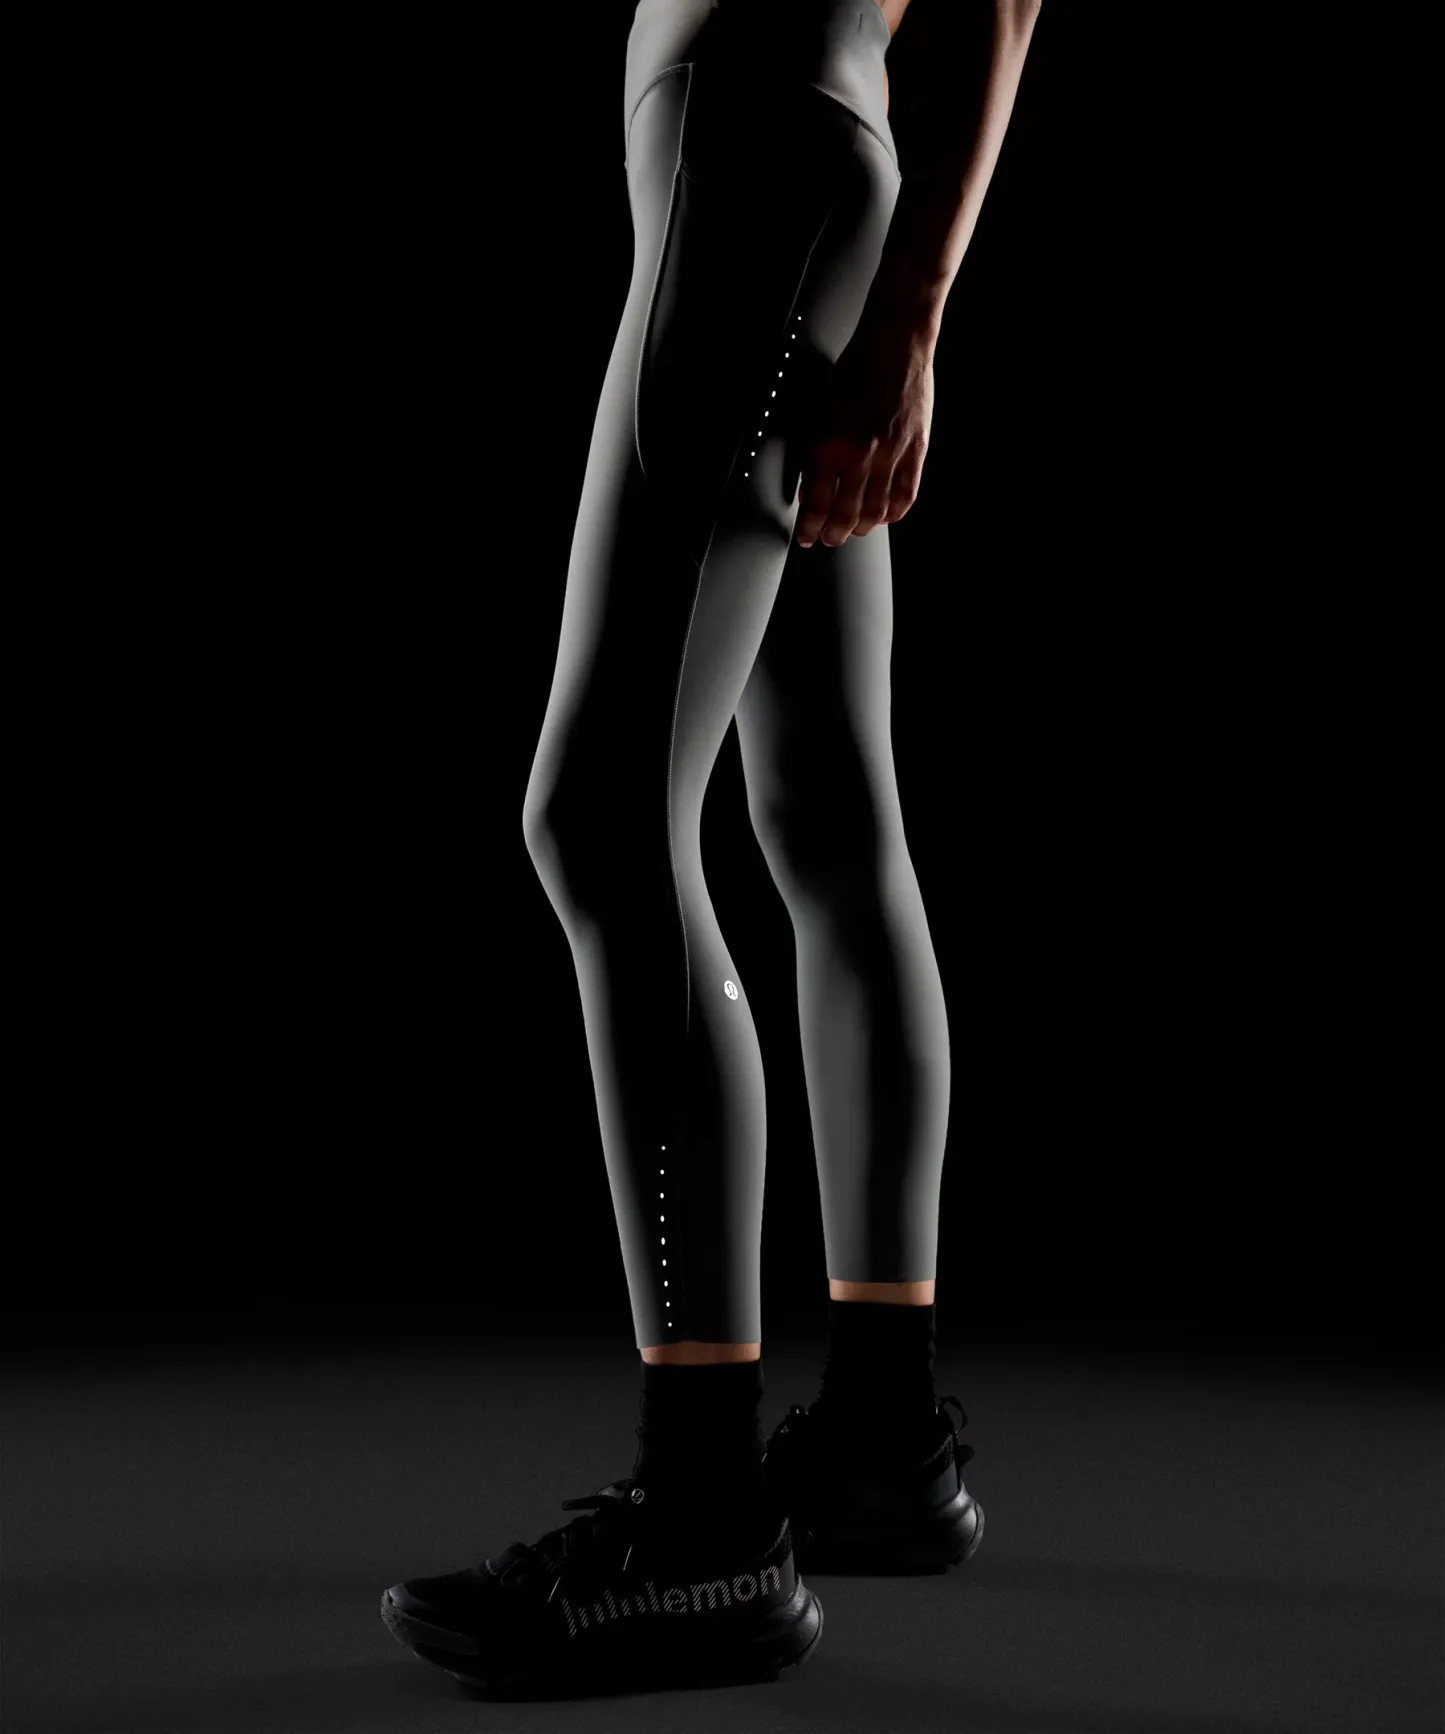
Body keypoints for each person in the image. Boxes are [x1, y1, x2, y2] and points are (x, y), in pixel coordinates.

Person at [383, 0, 1040, 1697]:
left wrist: (916, 317)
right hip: (780, 134)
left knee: (603, 815)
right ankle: (882, 1437)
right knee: (826, 808)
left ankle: (700, 1531)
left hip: (756, 136)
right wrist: (906, 306)